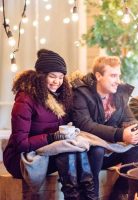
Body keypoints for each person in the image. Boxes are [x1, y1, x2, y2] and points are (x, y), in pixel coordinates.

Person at [3, 49, 97, 199]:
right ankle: (74, 196)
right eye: (52, 76)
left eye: (61, 77)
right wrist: (52, 138)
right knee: (67, 151)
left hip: (49, 151)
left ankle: (88, 195)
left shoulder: (61, 97)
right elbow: (20, 143)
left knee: (75, 148)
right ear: (41, 75)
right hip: (20, 158)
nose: (56, 82)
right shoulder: (25, 99)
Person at [71, 55, 138, 199]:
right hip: (87, 153)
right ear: (99, 76)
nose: (118, 81)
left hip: (109, 152)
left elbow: (131, 119)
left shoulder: (119, 95)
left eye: (119, 75)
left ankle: (120, 193)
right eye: (113, 76)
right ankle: (91, 196)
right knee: (97, 150)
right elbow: (85, 124)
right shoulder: (81, 92)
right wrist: (120, 134)